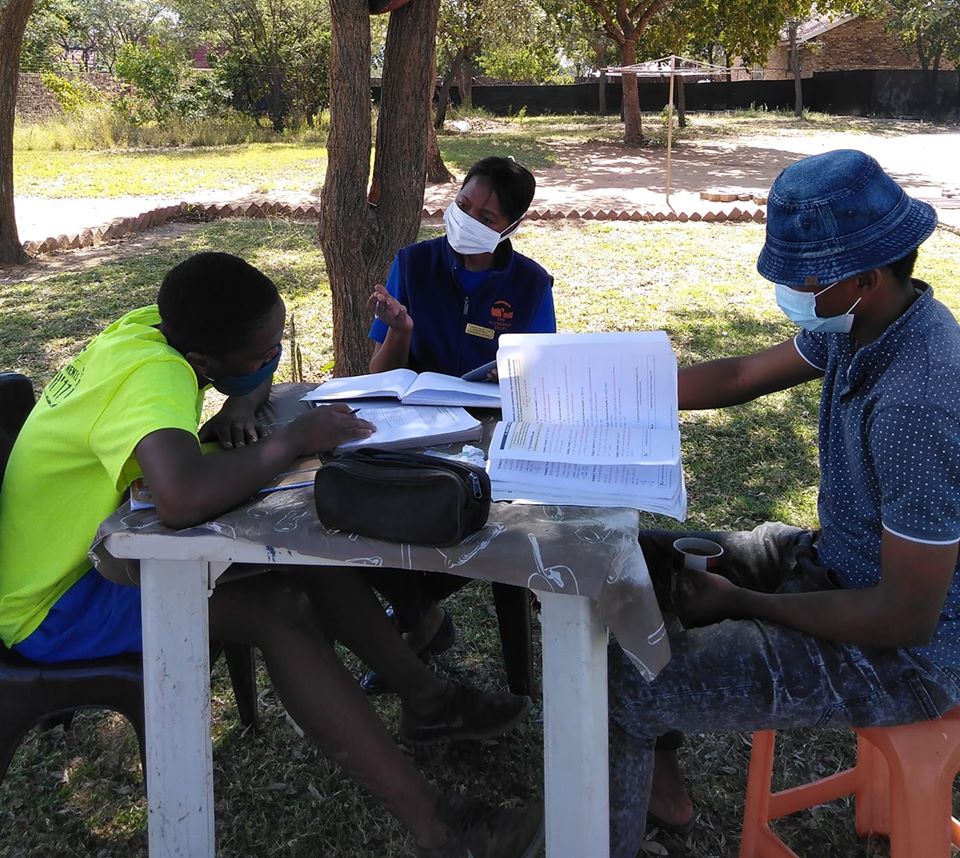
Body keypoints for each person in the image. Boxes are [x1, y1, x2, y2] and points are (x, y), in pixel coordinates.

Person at [0, 252, 543, 858]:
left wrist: (242, 400)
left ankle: (426, 700)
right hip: (55, 606)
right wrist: (292, 439)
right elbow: (181, 497)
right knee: (276, 609)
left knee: (302, 557)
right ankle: (440, 829)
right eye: (259, 357)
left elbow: (251, 370)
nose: (271, 361)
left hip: (93, 559)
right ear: (206, 362)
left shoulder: (153, 326)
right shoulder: (153, 375)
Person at [607, 149, 960, 858]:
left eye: (802, 280)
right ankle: (656, 778)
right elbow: (742, 372)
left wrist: (744, 602)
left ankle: (611, 821)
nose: (790, 292)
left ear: (865, 277)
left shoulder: (917, 398)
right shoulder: (864, 322)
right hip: (836, 566)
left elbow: (906, 617)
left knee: (625, 680)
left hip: (907, 656)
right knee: (629, 558)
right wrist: (604, 390)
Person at [362, 157, 556, 691]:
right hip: (414, 428)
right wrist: (400, 331)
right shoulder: (414, 263)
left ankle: (417, 618)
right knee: (364, 502)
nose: (467, 219)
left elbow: (541, 385)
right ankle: (419, 619)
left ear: (512, 227)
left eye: (487, 217)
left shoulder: (531, 285)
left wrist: (514, 376)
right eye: (464, 205)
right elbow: (382, 375)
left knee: (487, 521)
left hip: (490, 433)